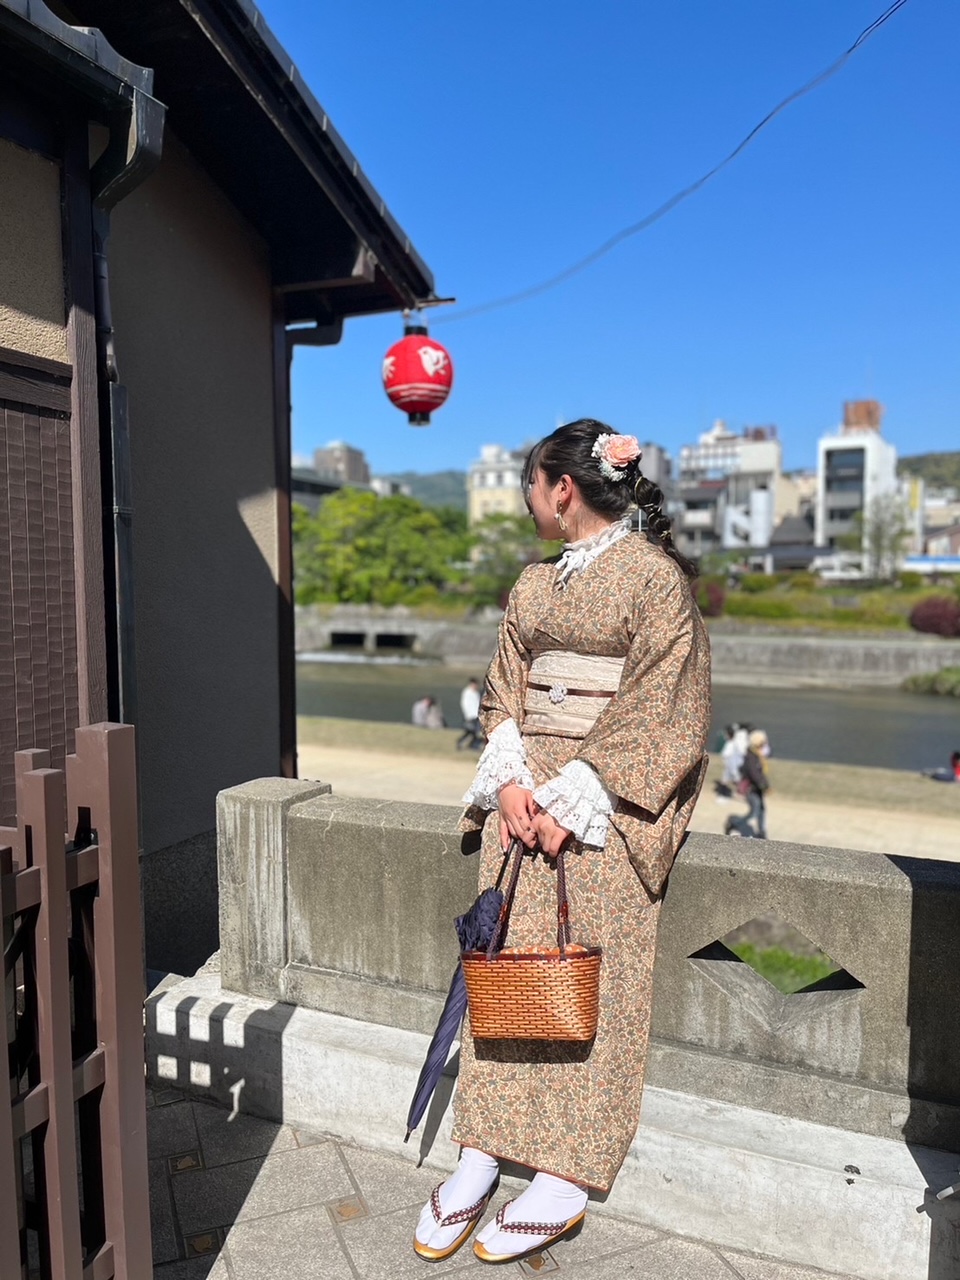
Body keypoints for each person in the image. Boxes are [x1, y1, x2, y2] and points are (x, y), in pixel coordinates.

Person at [412, 420, 711, 1265]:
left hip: (602, 818)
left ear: (562, 489)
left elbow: (668, 703)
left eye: (531, 486)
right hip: (523, 811)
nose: (529, 500)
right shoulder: (533, 585)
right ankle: (480, 1151)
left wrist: (579, 796)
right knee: (504, 975)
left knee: (587, 980)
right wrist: (509, 784)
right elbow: (504, 688)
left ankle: (565, 1174)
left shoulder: (653, 581)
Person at [724, 729, 770, 838]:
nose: (765, 745)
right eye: (763, 742)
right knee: (754, 812)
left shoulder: (757, 754)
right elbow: (754, 774)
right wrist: (764, 785)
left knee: (762, 810)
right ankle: (735, 823)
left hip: (757, 788)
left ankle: (762, 832)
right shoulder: (751, 757)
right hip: (752, 789)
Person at [456, 677, 484, 751]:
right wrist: (467, 715)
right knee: (471, 731)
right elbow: (465, 704)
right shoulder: (467, 692)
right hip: (470, 715)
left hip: (476, 715)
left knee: (473, 731)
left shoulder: (476, 693)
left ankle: (472, 745)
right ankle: (463, 742)